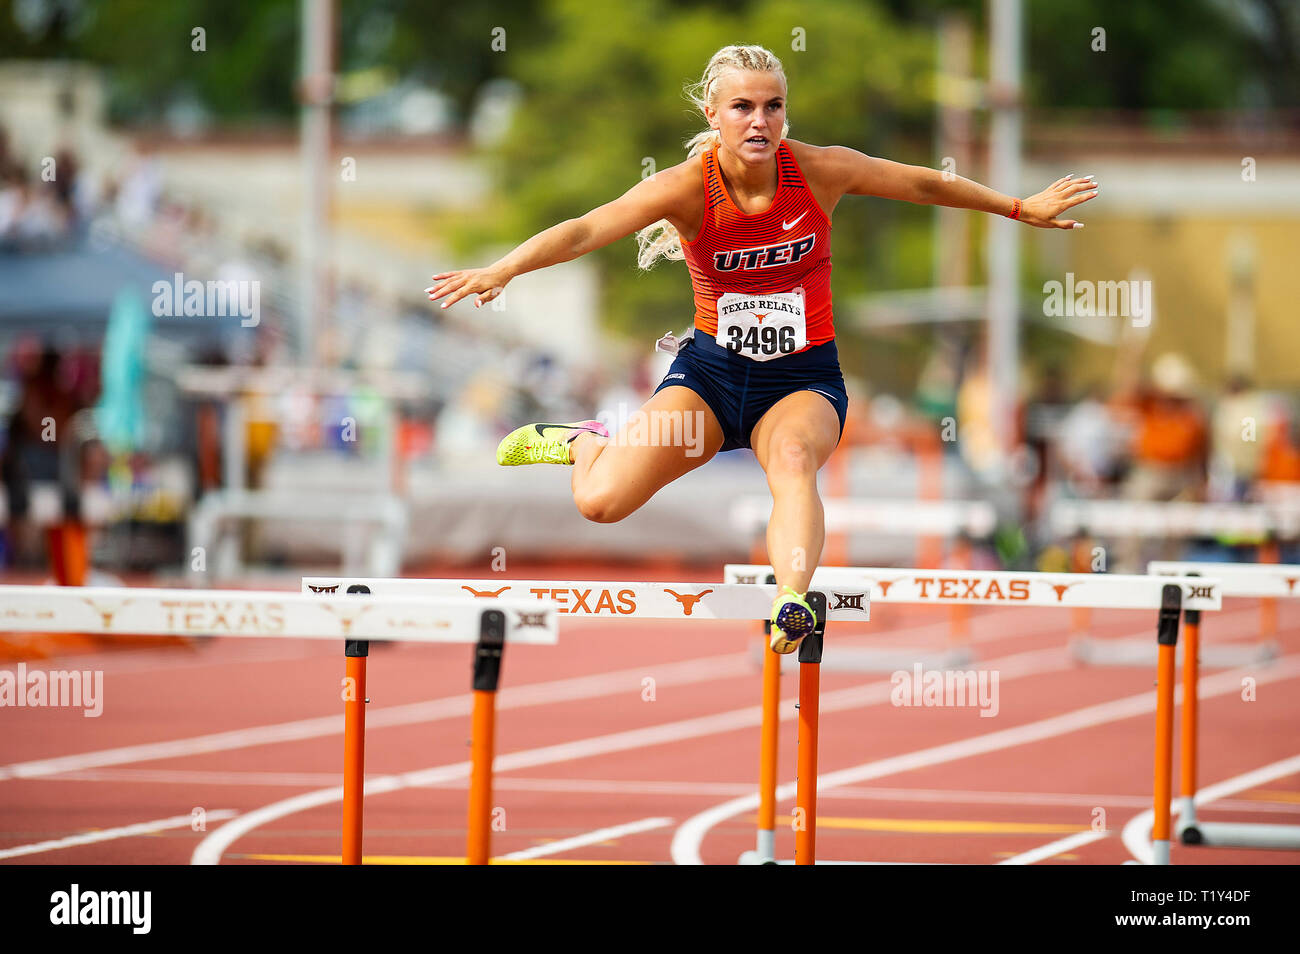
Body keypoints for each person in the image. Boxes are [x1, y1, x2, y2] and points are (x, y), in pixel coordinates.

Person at [426, 44, 1097, 653]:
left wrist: (1019, 208)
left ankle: (791, 600)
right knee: (600, 503)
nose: (760, 121)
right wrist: (504, 268)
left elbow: (924, 182)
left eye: (773, 106)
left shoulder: (821, 172)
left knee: (794, 461)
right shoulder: (686, 188)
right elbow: (584, 229)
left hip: (802, 380)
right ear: (715, 115)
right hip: (711, 379)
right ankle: (583, 442)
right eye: (743, 107)